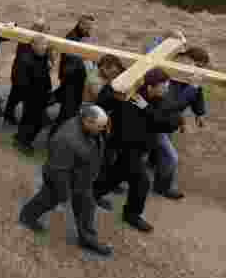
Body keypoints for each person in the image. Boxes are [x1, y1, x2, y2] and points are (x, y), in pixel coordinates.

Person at [92, 68, 186, 232]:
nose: (167, 89)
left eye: (167, 85)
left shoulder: (161, 99)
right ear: (150, 87)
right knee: (141, 182)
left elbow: (171, 122)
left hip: (141, 147)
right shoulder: (130, 95)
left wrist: (146, 109)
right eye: (163, 86)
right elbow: (102, 102)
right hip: (127, 147)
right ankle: (131, 215)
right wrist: (114, 86)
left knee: (116, 174)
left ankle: (93, 194)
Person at [19, 104, 114, 257]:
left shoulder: (89, 127)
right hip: (62, 180)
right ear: (87, 121)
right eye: (100, 127)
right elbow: (58, 170)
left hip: (81, 180)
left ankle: (87, 239)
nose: (103, 130)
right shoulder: (67, 139)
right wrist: (64, 195)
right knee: (48, 199)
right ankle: (27, 216)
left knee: (86, 207)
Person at [146, 39, 210, 200]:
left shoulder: (190, 76)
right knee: (171, 157)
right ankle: (163, 187)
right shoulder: (170, 74)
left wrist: (199, 114)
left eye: (203, 68)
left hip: (168, 123)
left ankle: (153, 163)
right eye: (199, 66)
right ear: (189, 61)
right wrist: (193, 87)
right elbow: (172, 105)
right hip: (157, 123)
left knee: (159, 152)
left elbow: (197, 94)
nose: (200, 71)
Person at [48, 15, 96, 141]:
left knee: (65, 108)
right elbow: (70, 65)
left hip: (73, 82)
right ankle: (53, 137)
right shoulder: (72, 39)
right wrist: (84, 61)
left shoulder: (80, 37)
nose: (90, 30)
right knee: (66, 113)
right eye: (88, 27)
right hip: (71, 83)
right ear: (81, 24)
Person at [14, 35, 54, 154]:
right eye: (41, 45)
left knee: (31, 120)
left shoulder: (41, 56)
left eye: (45, 45)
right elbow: (23, 82)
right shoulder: (26, 60)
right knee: (33, 122)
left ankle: (20, 138)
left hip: (40, 95)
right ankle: (24, 142)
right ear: (33, 45)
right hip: (32, 97)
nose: (44, 48)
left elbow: (45, 70)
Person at [5, 19, 50, 125]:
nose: (44, 31)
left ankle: (9, 114)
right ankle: (10, 115)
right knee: (19, 98)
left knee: (15, 97)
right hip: (22, 79)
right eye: (43, 28)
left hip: (23, 77)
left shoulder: (30, 38)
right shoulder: (27, 41)